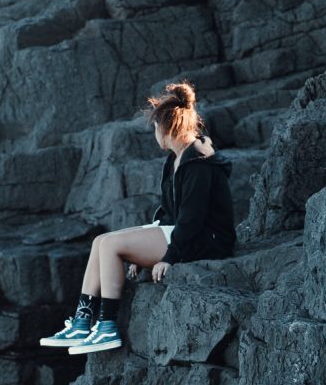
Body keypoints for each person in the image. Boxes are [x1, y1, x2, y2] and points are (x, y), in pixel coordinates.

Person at [41, 83, 237, 356]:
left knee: (111, 246)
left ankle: (106, 327)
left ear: (166, 128)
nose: (155, 135)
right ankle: (81, 321)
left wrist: (168, 257)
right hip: (184, 231)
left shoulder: (198, 164)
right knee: (101, 241)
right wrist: (140, 251)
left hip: (209, 240)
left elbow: (192, 220)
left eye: (156, 129)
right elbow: (170, 213)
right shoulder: (176, 160)